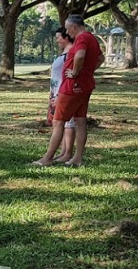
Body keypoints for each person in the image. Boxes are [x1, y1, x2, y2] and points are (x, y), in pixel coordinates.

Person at [34, 14, 101, 167]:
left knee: (58, 122)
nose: (66, 31)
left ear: (73, 27)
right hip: (85, 85)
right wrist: (87, 72)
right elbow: (100, 59)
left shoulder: (82, 38)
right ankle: (77, 158)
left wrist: (76, 72)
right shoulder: (92, 38)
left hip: (72, 86)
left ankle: (47, 158)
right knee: (80, 121)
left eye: (67, 28)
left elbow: (80, 55)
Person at [46, 28, 76, 158]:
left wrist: (60, 94)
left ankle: (67, 153)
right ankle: (63, 152)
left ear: (66, 37)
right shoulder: (64, 53)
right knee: (60, 122)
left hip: (63, 92)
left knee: (68, 122)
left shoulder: (70, 54)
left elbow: (68, 75)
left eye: (58, 37)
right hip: (56, 91)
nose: (57, 39)